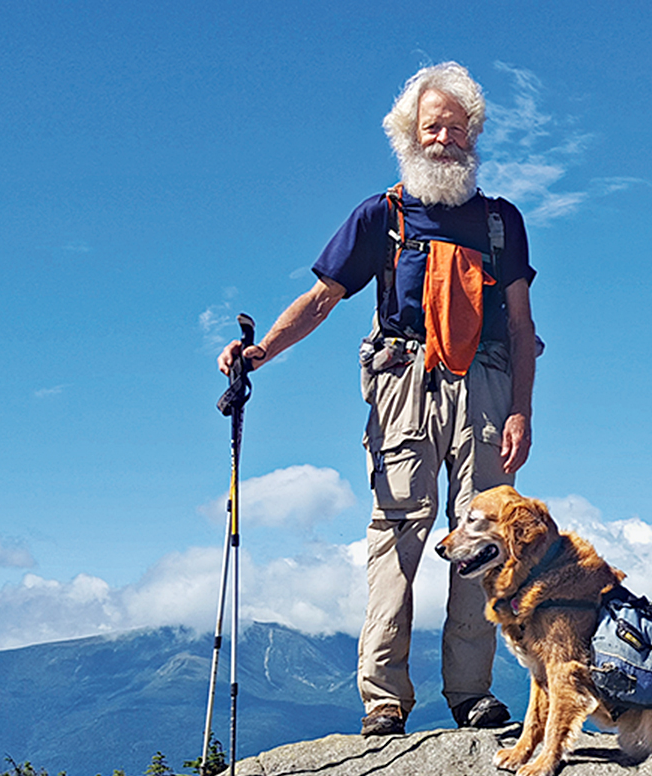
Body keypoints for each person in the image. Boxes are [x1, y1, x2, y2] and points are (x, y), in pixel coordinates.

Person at [217, 62, 537, 737]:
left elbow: (523, 325)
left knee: (483, 540)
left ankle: (470, 693)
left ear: (472, 135)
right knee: (397, 531)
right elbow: (322, 300)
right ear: (408, 135)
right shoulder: (380, 216)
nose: (444, 139)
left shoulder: (503, 223)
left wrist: (521, 410)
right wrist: (260, 354)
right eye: (432, 128)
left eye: (456, 128)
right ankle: (383, 698)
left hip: (487, 385)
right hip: (403, 384)